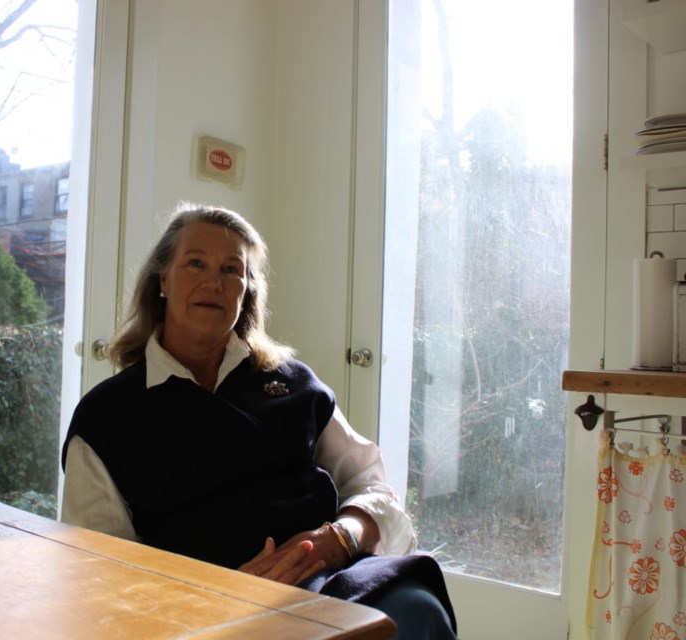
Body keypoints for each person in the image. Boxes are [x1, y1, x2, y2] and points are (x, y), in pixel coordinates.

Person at [61, 202, 457, 639]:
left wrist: (340, 537)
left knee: (418, 609)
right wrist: (219, 593)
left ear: (247, 290)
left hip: (333, 581)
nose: (214, 281)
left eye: (233, 269)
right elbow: (99, 567)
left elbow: (370, 483)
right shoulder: (106, 419)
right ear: (163, 281)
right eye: (196, 263)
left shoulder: (293, 384)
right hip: (197, 610)